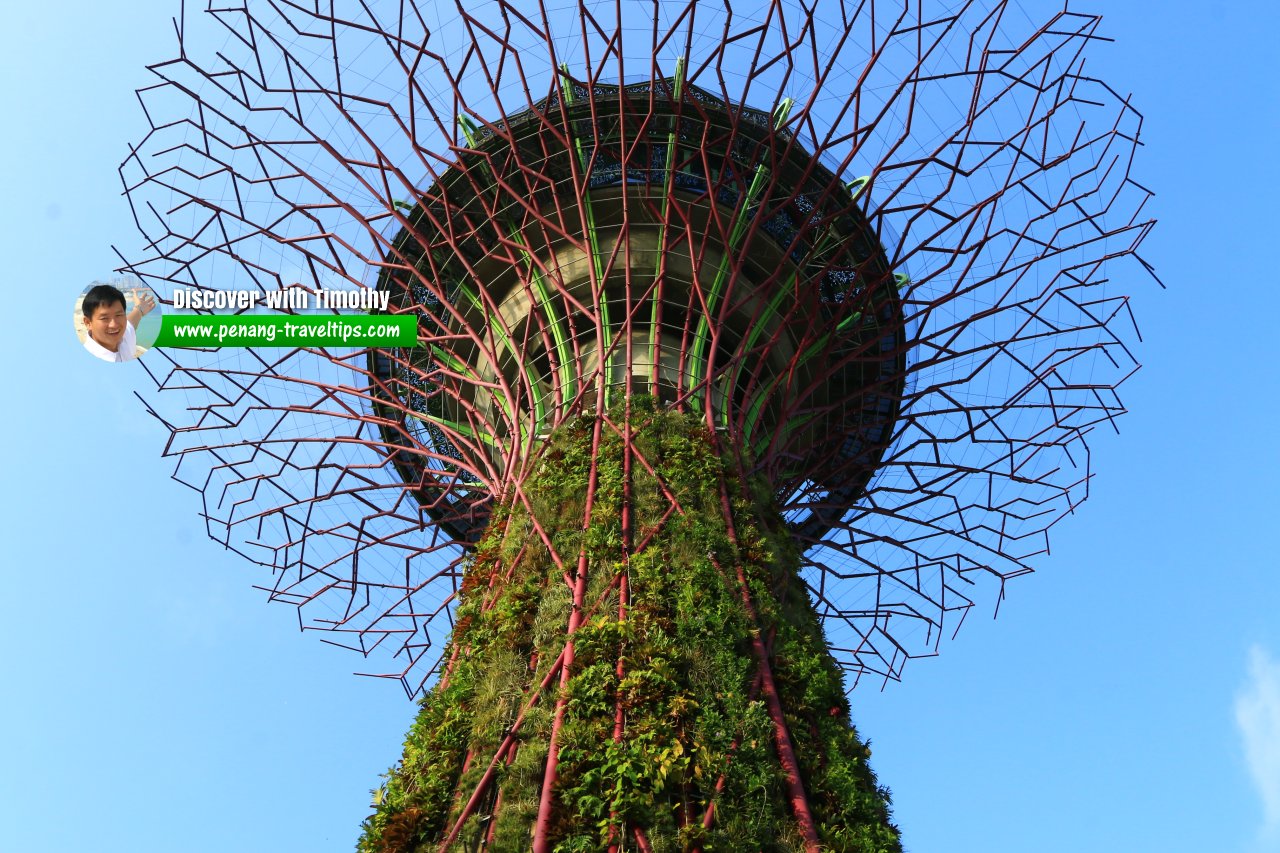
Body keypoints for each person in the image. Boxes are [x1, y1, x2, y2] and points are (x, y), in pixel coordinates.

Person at [81, 283, 156, 363]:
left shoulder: (124, 339)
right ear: (88, 323)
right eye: (104, 318)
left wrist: (139, 309)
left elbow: (131, 323)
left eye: (119, 315)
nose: (114, 325)